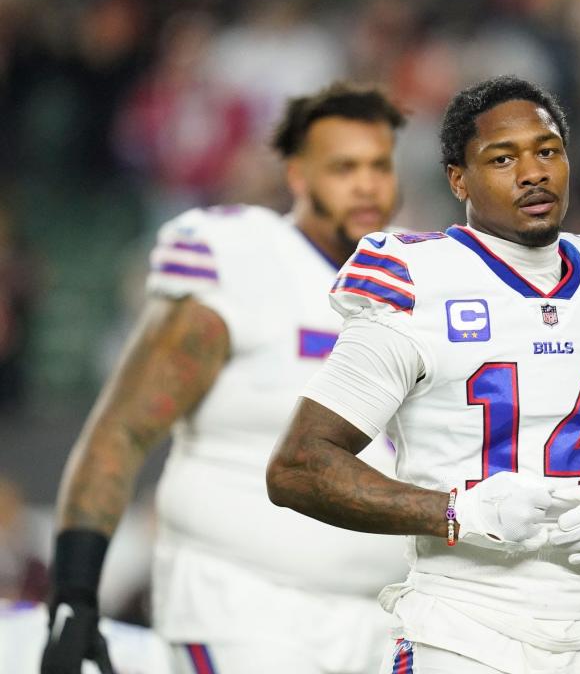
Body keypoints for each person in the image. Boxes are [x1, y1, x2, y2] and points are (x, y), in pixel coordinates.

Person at [267, 75, 580, 674]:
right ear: (459, 178)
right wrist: (460, 513)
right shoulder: (417, 278)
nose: (532, 172)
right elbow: (299, 466)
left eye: (547, 151)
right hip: (460, 639)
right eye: (502, 158)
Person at [41, 82, 411, 674]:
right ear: (297, 175)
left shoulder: (419, 283)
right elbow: (122, 429)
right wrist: (75, 593)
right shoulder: (238, 255)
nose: (366, 185)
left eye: (379, 166)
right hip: (244, 607)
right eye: (344, 166)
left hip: (386, 618)